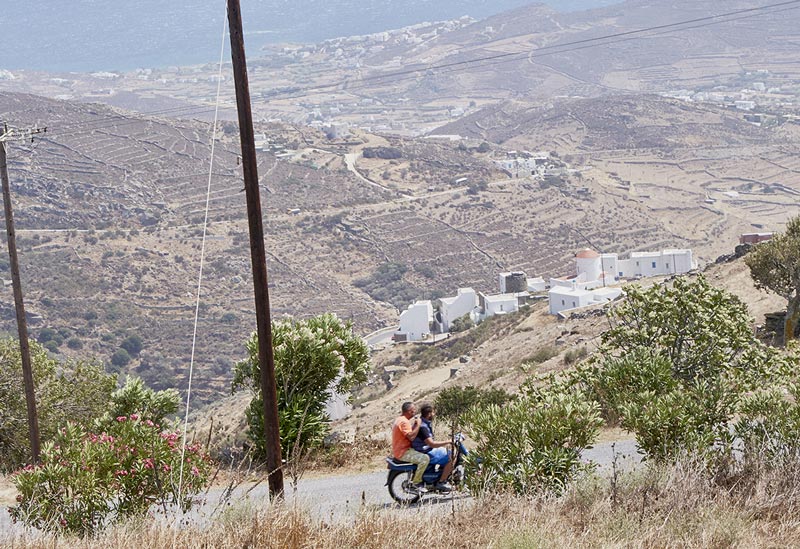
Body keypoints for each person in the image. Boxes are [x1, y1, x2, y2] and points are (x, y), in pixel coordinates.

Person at [412, 403, 453, 492]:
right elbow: (432, 444)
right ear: (429, 414)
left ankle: (442, 474)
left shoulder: (425, 423)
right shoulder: (423, 427)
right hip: (425, 451)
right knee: (452, 458)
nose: (434, 414)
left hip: (426, 449)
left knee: (448, 452)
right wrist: (449, 441)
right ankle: (441, 482)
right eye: (433, 412)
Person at [391, 401, 430, 494]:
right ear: (409, 411)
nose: (415, 411)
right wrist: (419, 424)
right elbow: (411, 436)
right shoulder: (404, 422)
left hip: (403, 449)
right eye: (413, 410)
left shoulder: (400, 419)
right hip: (403, 452)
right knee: (425, 459)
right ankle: (416, 483)